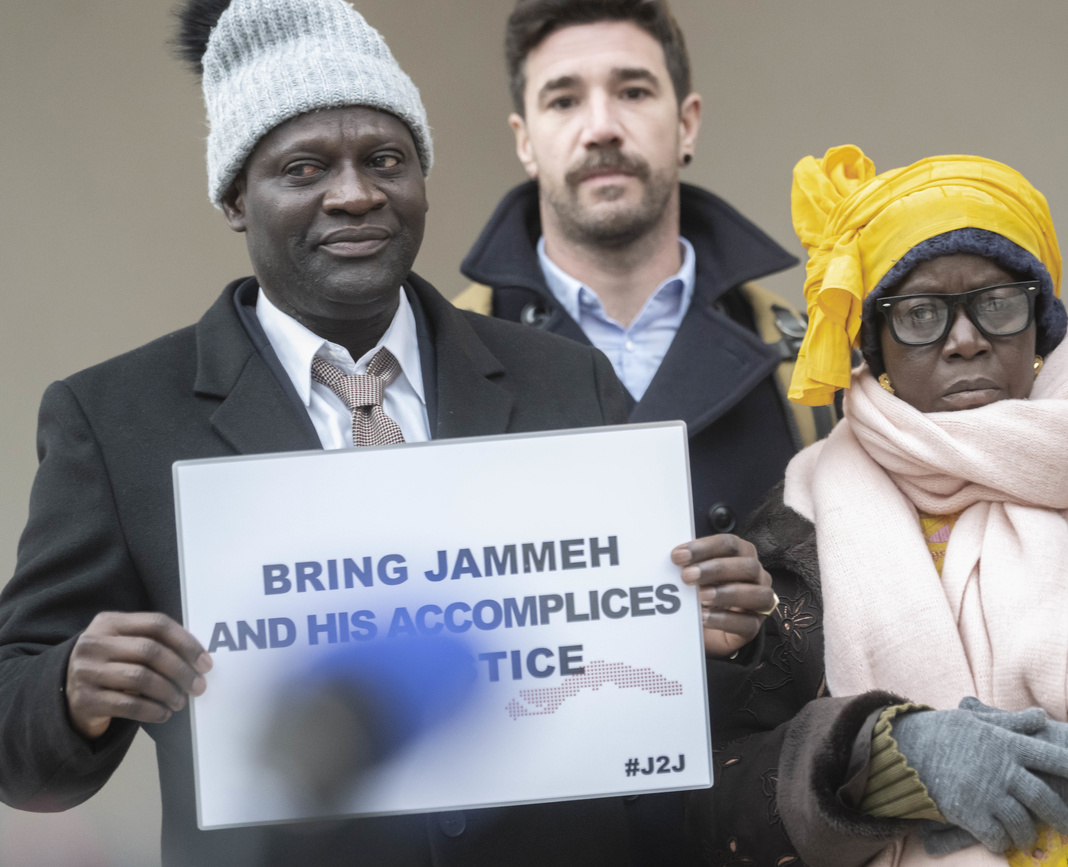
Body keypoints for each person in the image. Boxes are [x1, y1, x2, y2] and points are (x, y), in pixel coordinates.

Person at [0, 1, 774, 865]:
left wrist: (718, 621)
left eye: (385, 159)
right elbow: (14, 737)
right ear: (233, 198)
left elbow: (641, 673)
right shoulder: (115, 420)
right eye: (303, 167)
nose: (355, 192)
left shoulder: (566, 381)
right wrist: (72, 688)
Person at [689, 146, 1068, 866]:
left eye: (998, 304)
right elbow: (714, 787)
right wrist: (885, 755)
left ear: (1039, 322)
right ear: (874, 345)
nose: (966, 338)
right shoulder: (792, 529)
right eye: (919, 314)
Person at [453, 0, 833, 540]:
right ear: (524, 141)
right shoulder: (447, 357)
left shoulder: (809, 363)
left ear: (686, 124)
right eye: (564, 101)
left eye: (633, 92)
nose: (602, 128)